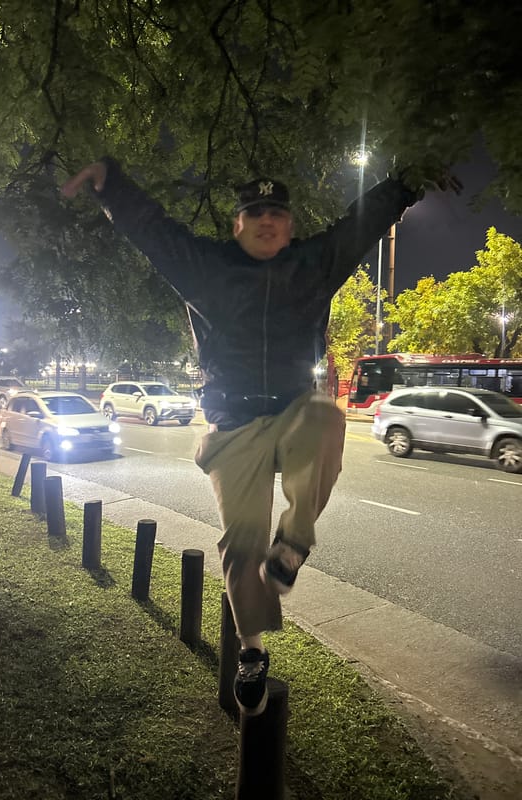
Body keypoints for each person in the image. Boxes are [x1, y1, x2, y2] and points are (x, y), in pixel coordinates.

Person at [61, 158, 460, 716]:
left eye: (277, 213)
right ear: (237, 225)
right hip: (234, 426)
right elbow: (155, 233)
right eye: (255, 213)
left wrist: (407, 181)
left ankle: (293, 546)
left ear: (290, 225)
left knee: (327, 417)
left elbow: (360, 224)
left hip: (296, 410)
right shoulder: (207, 269)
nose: (267, 222)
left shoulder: (313, 264)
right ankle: (252, 649)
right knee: (241, 544)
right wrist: (112, 186)